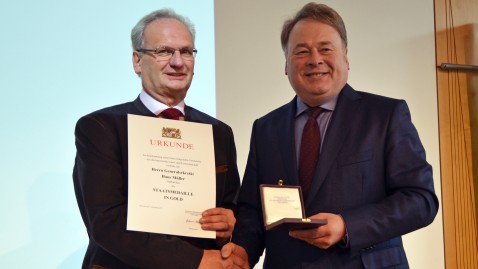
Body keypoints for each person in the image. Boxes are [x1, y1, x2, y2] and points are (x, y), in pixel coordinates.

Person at [221, 2, 439, 269]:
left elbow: (420, 200)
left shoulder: (386, 116)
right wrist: (242, 252)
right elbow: (253, 212)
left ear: (346, 57)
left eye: (325, 48)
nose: (315, 59)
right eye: (301, 51)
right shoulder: (266, 128)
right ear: (286, 65)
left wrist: (347, 225)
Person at [73, 9, 240, 269]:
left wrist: (229, 224)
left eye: (186, 51)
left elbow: (231, 206)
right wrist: (196, 260)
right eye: (163, 51)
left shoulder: (218, 132)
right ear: (137, 61)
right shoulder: (101, 128)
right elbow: (106, 222)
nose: (177, 62)